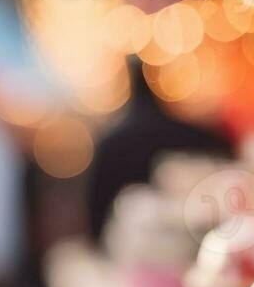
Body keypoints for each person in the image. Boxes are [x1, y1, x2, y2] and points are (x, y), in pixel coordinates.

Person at [84, 55, 229, 238]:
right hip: (180, 239)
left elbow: (96, 204)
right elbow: (223, 146)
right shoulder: (182, 132)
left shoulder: (110, 142)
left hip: (145, 240)